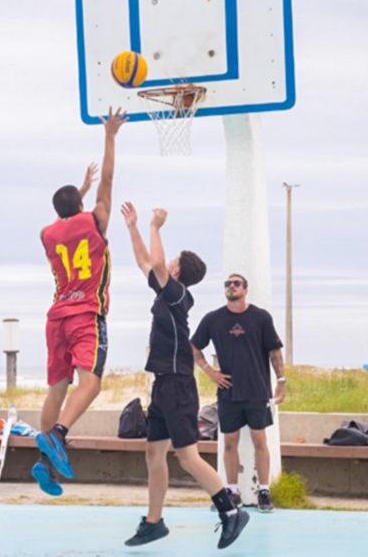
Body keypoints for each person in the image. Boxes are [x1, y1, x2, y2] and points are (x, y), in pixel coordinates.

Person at [119, 202, 249, 549]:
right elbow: (146, 262)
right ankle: (154, 523)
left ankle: (231, 512)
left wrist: (155, 227)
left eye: (172, 260)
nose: (167, 262)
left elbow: (157, 263)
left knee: (188, 457)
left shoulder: (177, 294)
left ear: (176, 270)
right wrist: (133, 227)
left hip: (178, 383)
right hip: (163, 383)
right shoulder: (166, 292)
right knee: (153, 454)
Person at [33, 108, 128, 496]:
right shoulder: (95, 221)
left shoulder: (47, 234)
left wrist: (79, 191)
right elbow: (109, 180)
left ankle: (45, 463)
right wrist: (110, 136)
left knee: (57, 389)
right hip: (86, 314)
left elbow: (64, 216)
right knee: (91, 384)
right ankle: (57, 436)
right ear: (81, 206)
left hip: (56, 317)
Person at [191, 273, 285, 512]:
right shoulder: (213, 319)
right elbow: (193, 346)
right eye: (228, 284)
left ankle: (264, 491)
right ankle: (232, 492)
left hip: (257, 390)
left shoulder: (261, 317)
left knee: (259, 440)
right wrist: (210, 372)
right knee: (229, 442)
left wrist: (281, 381)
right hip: (228, 392)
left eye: (236, 284)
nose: (231, 287)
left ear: (245, 289)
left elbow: (274, 352)